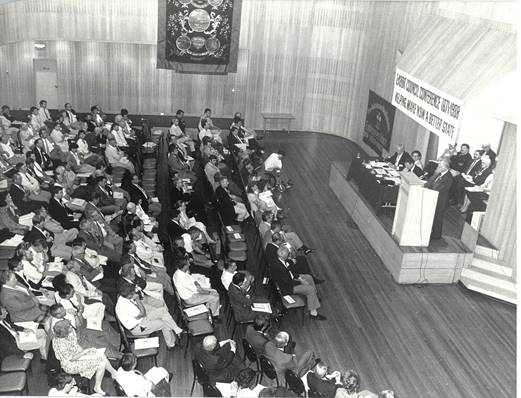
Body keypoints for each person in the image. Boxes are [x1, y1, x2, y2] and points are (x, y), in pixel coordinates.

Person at [52, 320, 117, 395]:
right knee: (101, 362)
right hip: (70, 364)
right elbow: (71, 358)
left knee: (99, 354)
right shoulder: (60, 343)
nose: (71, 326)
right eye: (69, 326)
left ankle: (113, 373)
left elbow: (76, 345)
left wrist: (86, 351)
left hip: (78, 355)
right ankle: (99, 386)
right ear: (64, 332)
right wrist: (84, 353)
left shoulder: (71, 332)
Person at [115, 283, 183, 349]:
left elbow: (140, 314)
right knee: (165, 323)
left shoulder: (123, 297)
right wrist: (137, 299)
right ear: (129, 295)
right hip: (138, 327)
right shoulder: (126, 305)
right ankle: (171, 345)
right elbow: (143, 313)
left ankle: (177, 330)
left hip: (140, 320)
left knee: (162, 311)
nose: (134, 293)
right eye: (133, 293)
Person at [270, 246, 326, 320]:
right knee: (310, 289)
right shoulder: (278, 268)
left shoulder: (282, 260)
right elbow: (288, 282)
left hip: (292, 279)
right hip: (288, 287)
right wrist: (301, 282)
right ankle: (313, 313)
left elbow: (291, 270)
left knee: (309, 277)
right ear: (283, 257)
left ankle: (313, 298)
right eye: (287, 255)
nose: (288, 256)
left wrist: (299, 278)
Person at [424, 159, 453, 240]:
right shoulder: (439, 174)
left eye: (440, 166)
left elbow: (441, 189)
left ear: (445, 167)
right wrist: (425, 185)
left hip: (441, 201)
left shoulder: (448, 178)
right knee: (434, 216)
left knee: (438, 218)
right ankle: (432, 232)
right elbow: (431, 182)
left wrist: (431, 190)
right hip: (434, 198)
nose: (438, 167)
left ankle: (436, 235)